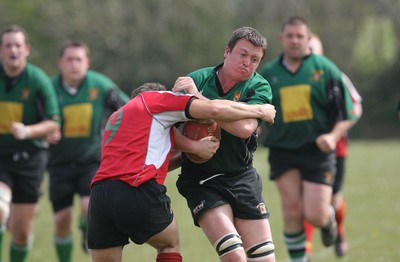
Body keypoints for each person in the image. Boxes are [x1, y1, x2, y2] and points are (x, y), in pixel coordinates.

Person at [87, 82, 276, 262]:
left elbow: (153, 159)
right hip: (135, 189)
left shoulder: (118, 117)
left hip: (98, 197)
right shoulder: (157, 99)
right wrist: (260, 110)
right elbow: (213, 109)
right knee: (169, 245)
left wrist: (193, 150)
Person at [172, 26, 276, 262]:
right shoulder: (197, 79)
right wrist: (192, 147)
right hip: (201, 179)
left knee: (265, 260)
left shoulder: (258, 86)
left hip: (241, 176)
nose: (247, 63)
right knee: (234, 257)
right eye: (243, 54)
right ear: (227, 51)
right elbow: (165, 129)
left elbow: (244, 129)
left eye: (255, 59)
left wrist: (198, 98)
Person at [259, 16, 359, 262]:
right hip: (283, 150)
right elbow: (256, 112)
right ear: (282, 39)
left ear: (308, 38)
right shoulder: (269, 73)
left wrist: (333, 136)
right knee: (292, 211)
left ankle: (329, 221)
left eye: (300, 36)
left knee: (314, 214)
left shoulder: (324, 69)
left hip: (317, 151)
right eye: (290, 36)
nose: (295, 41)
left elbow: (347, 112)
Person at [46, 40, 129, 262]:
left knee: (88, 206)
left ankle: (86, 224)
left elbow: (129, 108)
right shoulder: (49, 87)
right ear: (60, 63)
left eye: (79, 59)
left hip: (91, 161)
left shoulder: (100, 85)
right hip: (58, 163)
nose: (74, 64)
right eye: (69, 59)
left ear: (87, 62)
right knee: (61, 221)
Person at [0, 25, 61, 262]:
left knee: (22, 233)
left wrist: (27, 131)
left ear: (27, 49)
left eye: (18, 45)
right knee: (0, 210)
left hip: (30, 162)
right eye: (8, 45)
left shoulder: (38, 81)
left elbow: (53, 124)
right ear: (1, 50)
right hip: (1, 159)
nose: (13, 50)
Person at [303, 33, 363, 258]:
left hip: (334, 148)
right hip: (302, 148)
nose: (308, 53)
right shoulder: (292, 78)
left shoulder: (335, 75)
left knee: (334, 198)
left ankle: (339, 232)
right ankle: (305, 249)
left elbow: (356, 108)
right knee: (302, 199)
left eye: (313, 49)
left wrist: (336, 131)